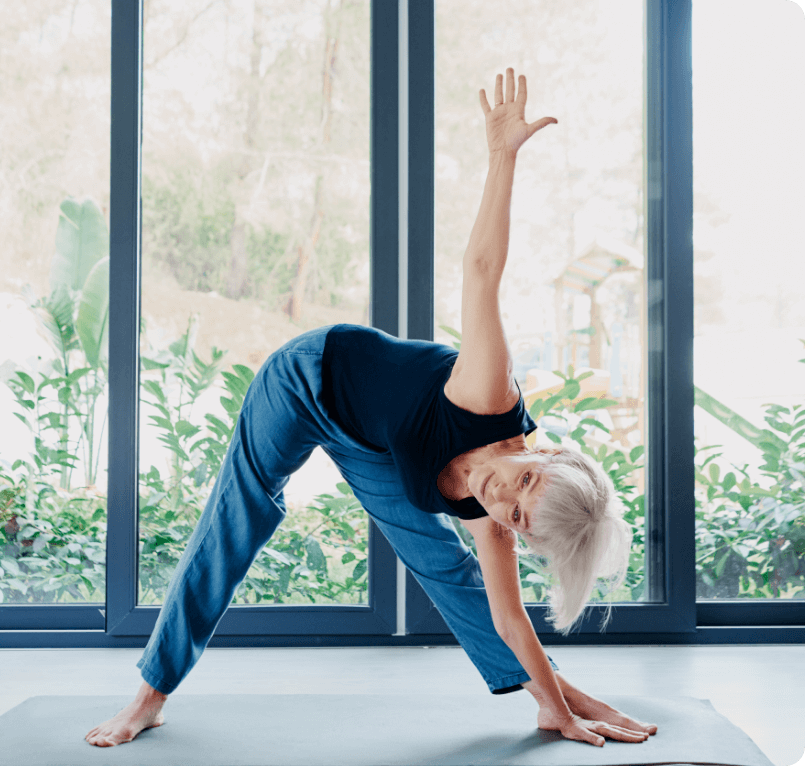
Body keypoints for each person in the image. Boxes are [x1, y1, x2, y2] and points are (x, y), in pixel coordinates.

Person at [86, 68, 658, 749]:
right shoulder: (489, 396)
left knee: (451, 568)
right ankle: (150, 694)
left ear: (518, 530)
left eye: (515, 515)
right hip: (307, 380)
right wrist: (503, 158)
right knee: (238, 515)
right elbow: (480, 270)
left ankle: (557, 696)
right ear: (545, 453)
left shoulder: (496, 512)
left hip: (374, 442)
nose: (502, 492)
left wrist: (559, 710)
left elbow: (509, 619)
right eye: (526, 479)